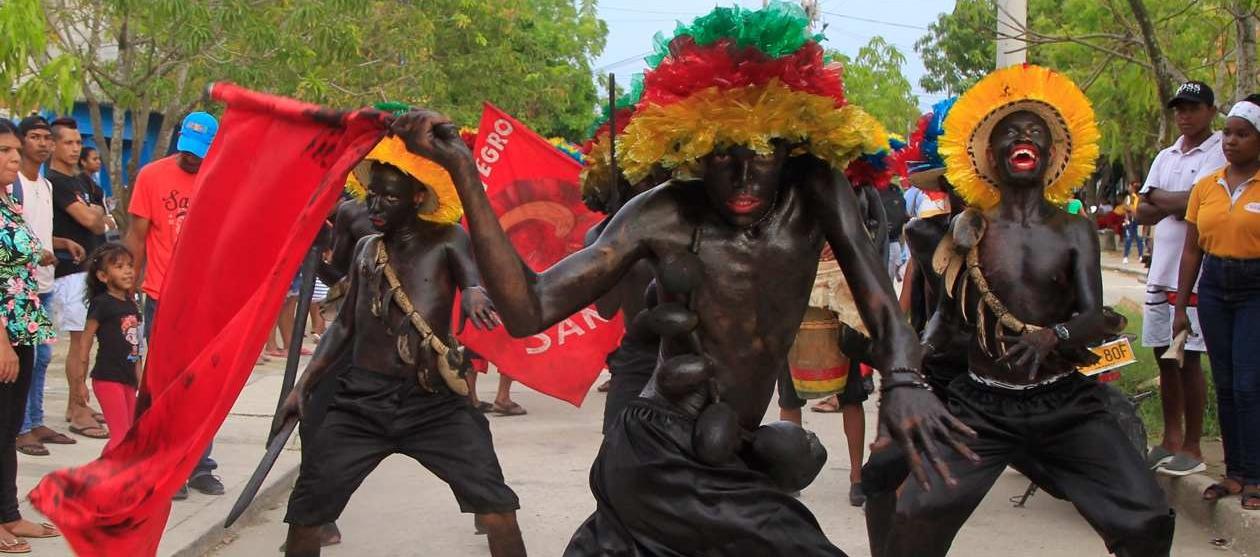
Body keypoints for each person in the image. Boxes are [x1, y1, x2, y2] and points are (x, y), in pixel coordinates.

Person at [393, 5, 967, 554]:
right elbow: (529, 308)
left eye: (763, 153)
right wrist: (465, 174)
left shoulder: (817, 190)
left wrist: (904, 381)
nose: (743, 174)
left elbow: (881, 304)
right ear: (692, 147)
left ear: (792, 145)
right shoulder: (661, 212)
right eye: (721, 156)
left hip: (733, 447)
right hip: (658, 447)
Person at [880, 64, 1174, 557]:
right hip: (981, 406)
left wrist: (1053, 336)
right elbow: (947, 323)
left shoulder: (1073, 230)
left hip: (1063, 403)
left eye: (1035, 132)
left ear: (1053, 153)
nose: (1024, 138)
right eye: (1011, 133)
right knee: (914, 514)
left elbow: (1094, 316)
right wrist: (908, 379)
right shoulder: (960, 233)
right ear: (988, 156)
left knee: (1146, 518)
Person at [275, 135, 523, 557]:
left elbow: (472, 281)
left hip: (434, 404)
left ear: (418, 197)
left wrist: (477, 294)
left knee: (498, 508)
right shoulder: (367, 250)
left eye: (390, 198)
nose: (375, 206)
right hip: (361, 402)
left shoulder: (448, 239)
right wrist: (305, 384)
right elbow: (344, 327)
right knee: (305, 516)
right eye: (372, 195)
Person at [125, 112, 224, 500]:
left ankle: (199, 464)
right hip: (161, 297)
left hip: (207, 300)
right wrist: (126, 292)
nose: (191, 159)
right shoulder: (152, 176)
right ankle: (168, 466)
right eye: (187, 150)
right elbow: (135, 238)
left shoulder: (222, 180)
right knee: (164, 385)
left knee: (204, 385)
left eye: (199, 154)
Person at [1173, 95, 1260, 511]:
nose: (1231, 141)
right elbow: (1191, 250)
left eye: (1242, 135)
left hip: (1254, 289)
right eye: (1228, 133)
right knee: (1225, 384)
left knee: (1249, 385)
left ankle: (1257, 476)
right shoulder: (1207, 186)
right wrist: (1179, 308)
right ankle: (1236, 473)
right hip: (1213, 287)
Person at [1135, 81, 1225, 477]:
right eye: (1179, 109)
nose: (1184, 115)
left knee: (1189, 358)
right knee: (1163, 355)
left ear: (1210, 110)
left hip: (1195, 272)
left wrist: (1164, 199)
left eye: (1192, 108)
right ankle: (1169, 439)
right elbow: (1141, 211)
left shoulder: (1220, 148)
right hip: (1161, 270)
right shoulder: (1166, 155)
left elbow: (1198, 202)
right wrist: (1172, 201)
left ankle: (1192, 443)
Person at [0, 118, 62, 552]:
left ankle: (8, 513)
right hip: (2, 333)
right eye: (4, 151)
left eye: (14, 152)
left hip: (22, 326)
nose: (14, 159)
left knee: (6, 430)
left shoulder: (8, 200)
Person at [14, 115, 85, 458]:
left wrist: (59, 243)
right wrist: (36, 251)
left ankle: (36, 420)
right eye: (35, 137)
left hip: (43, 284)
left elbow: (38, 232)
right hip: (19, 287)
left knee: (41, 358)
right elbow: (13, 236)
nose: (42, 143)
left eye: (46, 138)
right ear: (21, 141)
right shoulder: (14, 186)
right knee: (29, 358)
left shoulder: (45, 186)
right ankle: (21, 427)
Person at [48, 118, 112, 447]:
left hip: (91, 269)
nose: (74, 148)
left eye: (77, 142)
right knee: (79, 343)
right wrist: (94, 212)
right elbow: (92, 218)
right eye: (68, 143)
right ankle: (76, 406)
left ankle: (79, 401)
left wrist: (96, 212)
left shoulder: (84, 181)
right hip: (69, 273)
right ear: (54, 145)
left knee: (90, 341)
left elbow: (106, 218)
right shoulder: (55, 181)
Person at [70, 243, 140, 454]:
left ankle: (101, 476)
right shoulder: (102, 304)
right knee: (120, 438)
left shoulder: (130, 303)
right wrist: (79, 383)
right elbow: (85, 341)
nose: (128, 271)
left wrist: (140, 378)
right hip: (108, 378)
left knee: (128, 436)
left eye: (130, 265)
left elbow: (135, 346)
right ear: (103, 276)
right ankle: (108, 481)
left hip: (128, 378)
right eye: (119, 267)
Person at [1121, 181, 1145, 263]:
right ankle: (1125, 256)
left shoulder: (1140, 198)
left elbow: (1137, 209)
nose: (1128, 188)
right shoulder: (1128, 198)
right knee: (1129, 238)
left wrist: (1132, 209)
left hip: (1138, 220)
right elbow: (1125, 207)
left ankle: (1141, 255)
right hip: (1130, 220)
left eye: (1129, 187)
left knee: (1139, 238)